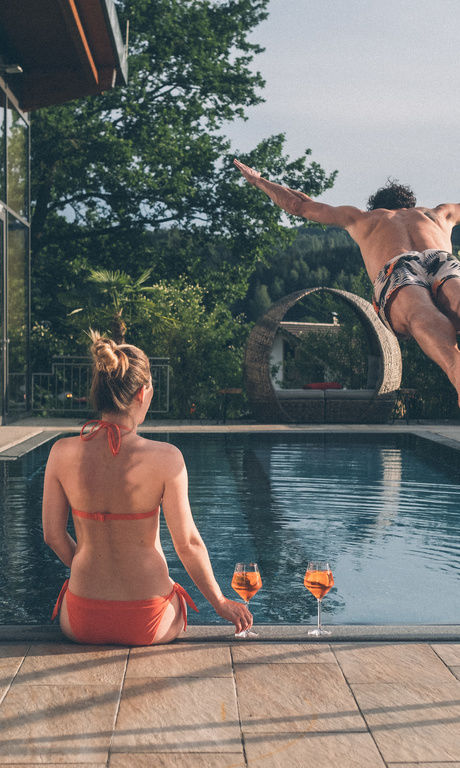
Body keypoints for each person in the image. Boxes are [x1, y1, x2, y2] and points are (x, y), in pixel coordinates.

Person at [43, 331, 252, 645]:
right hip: (147, 620)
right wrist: (220, 602)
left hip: (81, 619)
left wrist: (93, 568)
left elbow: (53, 536)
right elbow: (188, 544)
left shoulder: (61, 452)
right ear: (143, 393)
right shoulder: (166, 458)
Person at [234, 159, 460, 405]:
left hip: (399, 266)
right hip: (439, 258)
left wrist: (259, 180)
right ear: (410, 205)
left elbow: (298, 204)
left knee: (421, 316)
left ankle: (455, 369)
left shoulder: (362, 217)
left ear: (377, 206)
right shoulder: (438, 213)